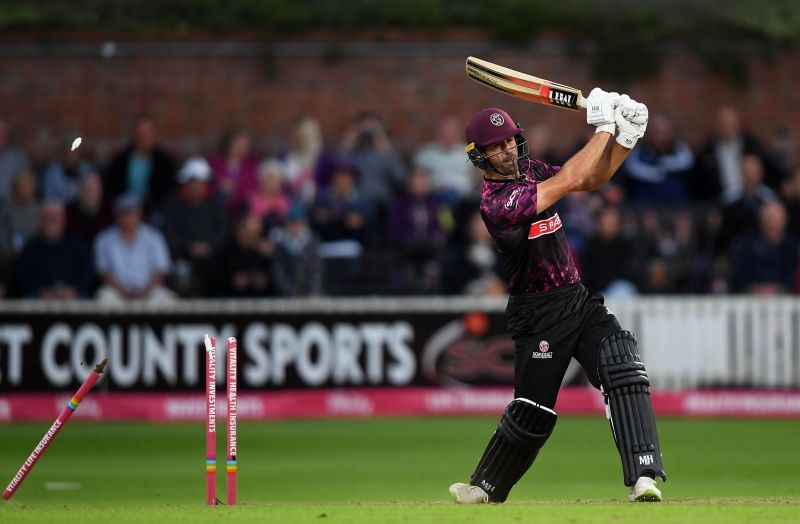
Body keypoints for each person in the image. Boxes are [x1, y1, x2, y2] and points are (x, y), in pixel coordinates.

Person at [448, 92, 667, 505]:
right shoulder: (497, 204)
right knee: (532, 410)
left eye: (510, 140)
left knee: (622, 365)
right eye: (495, 146)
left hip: (577, 298)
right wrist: (603, 127)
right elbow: (567, 180)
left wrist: (626, 136)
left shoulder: (530, 170)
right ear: (480, 156)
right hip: (538, 315)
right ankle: (484, 487)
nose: (506, 149)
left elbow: (589, 178)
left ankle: (643, 476)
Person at [160, 157, 228, 296]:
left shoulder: (216, 204)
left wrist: (209, 246)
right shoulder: (173, 205)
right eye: (192, 182)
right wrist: (189, 247)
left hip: (213, 259)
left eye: (200, 182)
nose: (196, 187)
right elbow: (170, 234)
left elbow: (223, 232)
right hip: (183, 258)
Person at [94, 194, 175, 302]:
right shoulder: (104, 239)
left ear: (139, 214)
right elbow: (103, 272)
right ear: (116, 216)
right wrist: (122, 291)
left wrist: (145, 291)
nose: (127, 218)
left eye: (131, 213)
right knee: (104, 297)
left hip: (148, 291)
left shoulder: (154, 237)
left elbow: (161, 270)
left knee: (167, 300)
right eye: (123, 213)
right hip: (118, 293)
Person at [14, 202, 93, 299]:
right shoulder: (31, 247)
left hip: (72, 295)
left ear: (63, 220)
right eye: (47, 218)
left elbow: (88, 270)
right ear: (41, 221)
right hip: (39, 296)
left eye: (55, 218)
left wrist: (74, 289)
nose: (51, 222)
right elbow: (21, 273)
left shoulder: (76, 244)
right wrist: (40, 290)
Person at [103, 116, 177, 215]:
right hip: (126, 211)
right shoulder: (121, 160)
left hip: (155, 211)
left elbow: (169, 191)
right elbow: (113, 188)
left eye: (147, 134)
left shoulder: (165, 162)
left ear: (154, 135)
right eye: (140, 134)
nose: (143, 138)